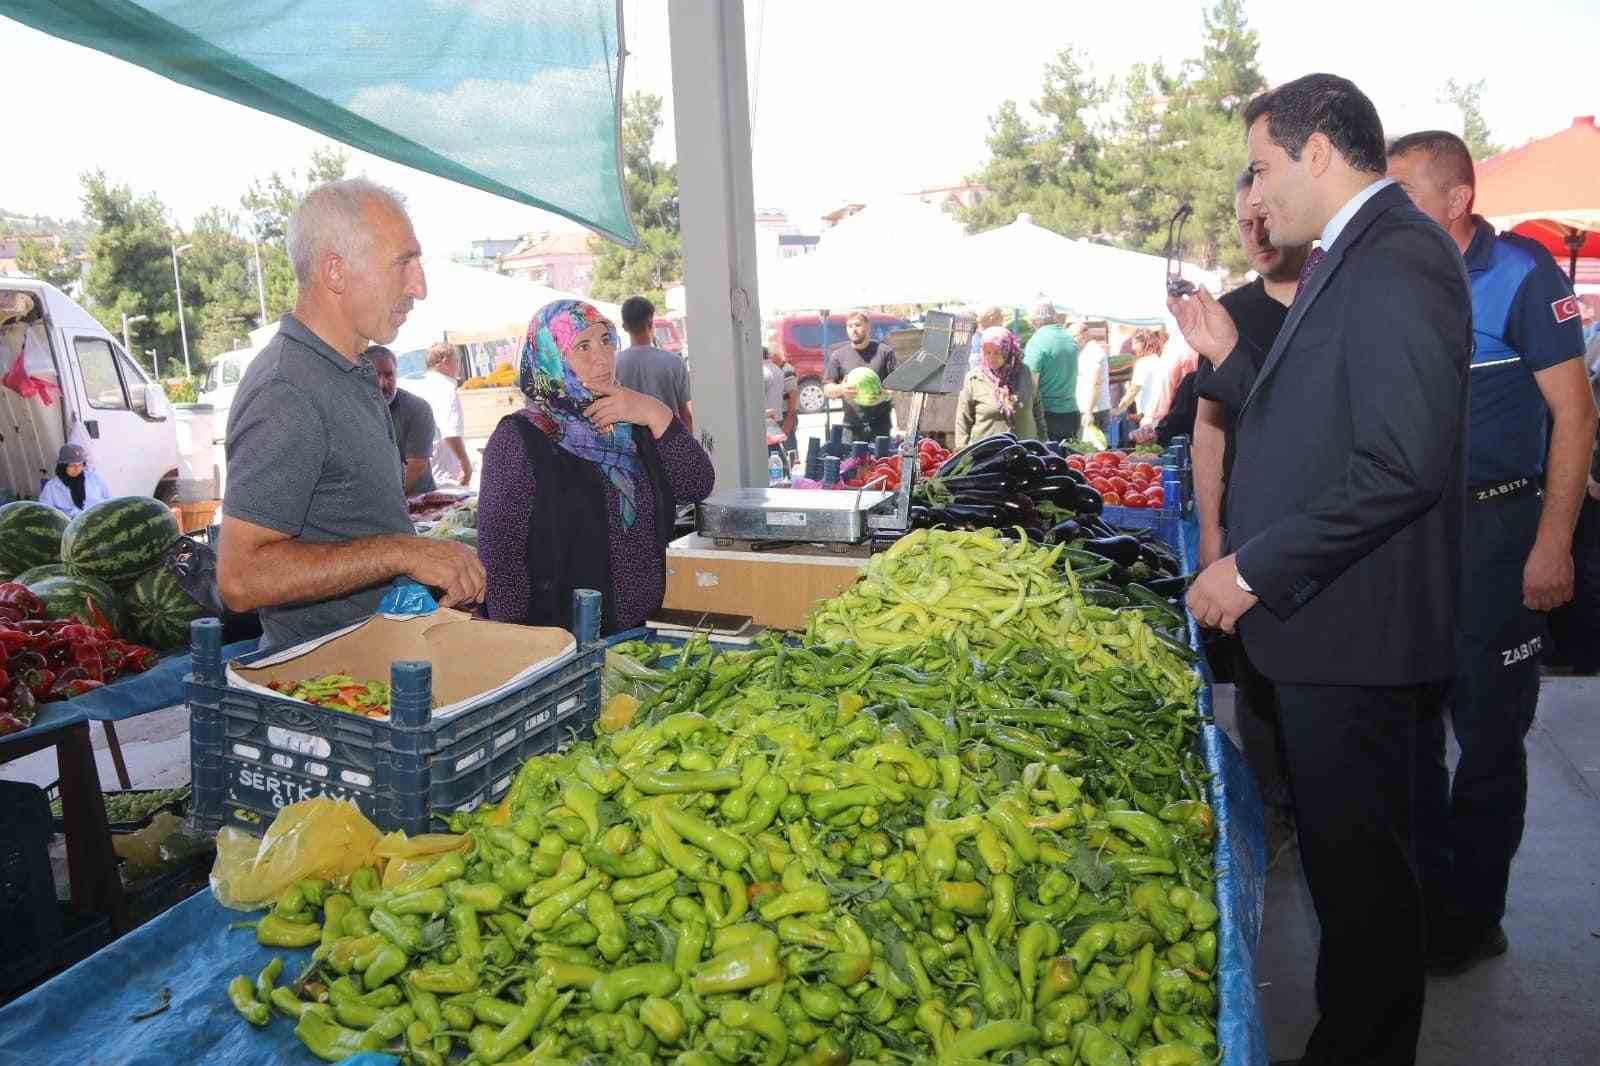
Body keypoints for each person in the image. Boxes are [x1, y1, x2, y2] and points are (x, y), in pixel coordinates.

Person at [1170, 74, 1470, 1066]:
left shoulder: (1393, 259)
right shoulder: (1354, 256)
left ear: (1315, 151)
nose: (1253, 195)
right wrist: (1226, 359)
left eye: (1260, 167)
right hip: (1329, 625)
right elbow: (1320, 429)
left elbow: (1399, 463)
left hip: (1353, 630)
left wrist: (1249, 567)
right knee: (1351, 881)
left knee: (1365, 889)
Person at [1386, 130, 1599, 976]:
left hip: (1499, 534)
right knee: (1407, 730)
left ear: (1455, 199)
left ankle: (1470, 920)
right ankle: (1417, 900)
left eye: (1401, 194)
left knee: (1488, 732)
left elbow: (1576, 418)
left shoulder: (1520, 274)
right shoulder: (1393, 279)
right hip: (1409, 540)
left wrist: (1552, 546)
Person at [219, 178, 484, 650]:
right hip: (329, 696)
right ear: (335, 272)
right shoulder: (287, 389)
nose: (419, 287)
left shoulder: (351, 367)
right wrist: (402, 552)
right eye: (403, 263)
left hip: (381, 665)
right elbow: (241, 578)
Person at [1194, 168, 1312, 849]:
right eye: (1245, 223)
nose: (1258, 233)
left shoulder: (1334, 299)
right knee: (1259, 685)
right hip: (1251, 532)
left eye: (1265, 217)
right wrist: (1213, 531)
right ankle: (1276, 814)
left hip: (1328, 528)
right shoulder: (1231, 311)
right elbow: (1210, 430)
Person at [477, 300, 714, 635]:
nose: (601, 357)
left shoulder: (630, 421)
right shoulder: (520, 439)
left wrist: (655, 412)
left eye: (605, 341)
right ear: (549, 356)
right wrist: (518, 645)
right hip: (561, 640)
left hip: (643, 628)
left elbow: (696, 484)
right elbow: (501, 556)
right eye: (582, 346)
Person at [954, 326, 1046, 448]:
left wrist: (1044, 444)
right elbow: (963, 421)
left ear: (1008, 352)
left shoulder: (1024, 373)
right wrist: (963, 452)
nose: (992, 358)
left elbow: (1037, 411)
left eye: (997, 352)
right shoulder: (974, 379)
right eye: (987, 352)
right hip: (987, 454)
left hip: (1025, 451)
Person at [616, 295, 694, 434]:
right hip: (669, 445)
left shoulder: (614, 365)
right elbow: (685, 414)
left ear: (624, 326)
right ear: (651, 323)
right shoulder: (674, 362)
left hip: (631, 449)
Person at [367, 344, 437, 494]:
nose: (382, 384)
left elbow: (416, 466)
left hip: (417, 501)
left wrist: (390, 504)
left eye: (389, 375)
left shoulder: (417, 408)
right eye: (375, 376)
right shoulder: (351, 409)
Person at [823, 310, 896, 442]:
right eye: (849, 326)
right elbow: (827, 389)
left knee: (882, 462)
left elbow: (898, 388)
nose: (853, 330)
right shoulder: (838, 356)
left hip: (880, 426)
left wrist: (885, 395)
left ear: (868, 327)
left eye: (857, 325)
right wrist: (841, 389)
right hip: (851, 427)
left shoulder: (885, 352)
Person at [407, 342, 473, 488]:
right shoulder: (446, 388)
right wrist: (465, 463)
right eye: (456, 361)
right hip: (445, 476)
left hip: (426, 472)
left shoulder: (420, 385)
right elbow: (450, 432)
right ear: (445, 361)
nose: (458, 366)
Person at [1021, 300, 1081, 441]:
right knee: (1069, 460)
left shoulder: (1037, 341)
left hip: (1047, 414)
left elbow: (1031, 384)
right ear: (1054, 315)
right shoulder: (1069, 338)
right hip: (1071, 412)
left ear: (1033, 320)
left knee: (1046, 460)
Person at [38, 442, 110, 518]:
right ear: (63, 466)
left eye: (80, 464)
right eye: (72, 465)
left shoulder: (95, 478)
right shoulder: (51, 487)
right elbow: (45, 512)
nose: (77, 468)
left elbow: (108, 501)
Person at [1071, 320, 1111, 435]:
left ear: (1085, 334)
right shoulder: (1084, 351)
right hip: (1088, 409)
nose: (1072, 340)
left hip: (1095, 410)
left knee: (1094, 449)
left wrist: (1089, 411)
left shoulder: (1093, 352)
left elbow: (1095, 382)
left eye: (1074, 336)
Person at [762, 346, 797, 462]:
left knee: (784, 451)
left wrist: (790, 419)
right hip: (778, 416)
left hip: (782, 417)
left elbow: (793, 396)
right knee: (780, 453)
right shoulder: (777, 370)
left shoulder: (785, 370)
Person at [967, 306, 1006, 371]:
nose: (1003, 323)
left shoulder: (973, 338)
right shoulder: (984, 342)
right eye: (1001, 318)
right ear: (993, 319)